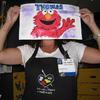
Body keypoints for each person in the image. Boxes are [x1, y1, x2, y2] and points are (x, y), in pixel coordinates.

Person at [0, 5, 100, 100]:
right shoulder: (27, 51)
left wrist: (92, 25)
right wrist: (8, 23)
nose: (48, 17)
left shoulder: (73, 48)